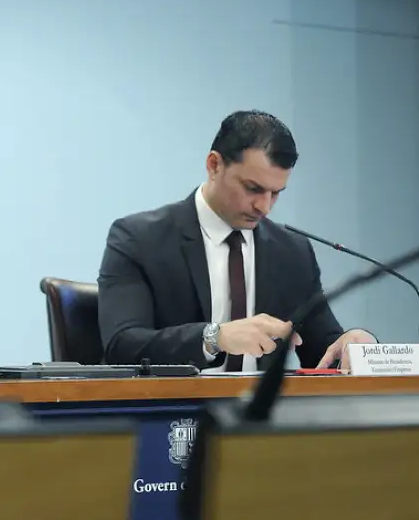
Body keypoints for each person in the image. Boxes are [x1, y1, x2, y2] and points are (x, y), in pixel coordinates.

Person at [97, 110, 375, 372]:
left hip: (262, 419)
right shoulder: (139, 239)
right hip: (173, 412)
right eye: (253, 189)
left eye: (276, 193)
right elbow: (123, 346)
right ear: (214, 165)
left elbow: (322, 352)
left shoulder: (292, 252)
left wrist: (351, 346)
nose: (264, 207)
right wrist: (214, 337)